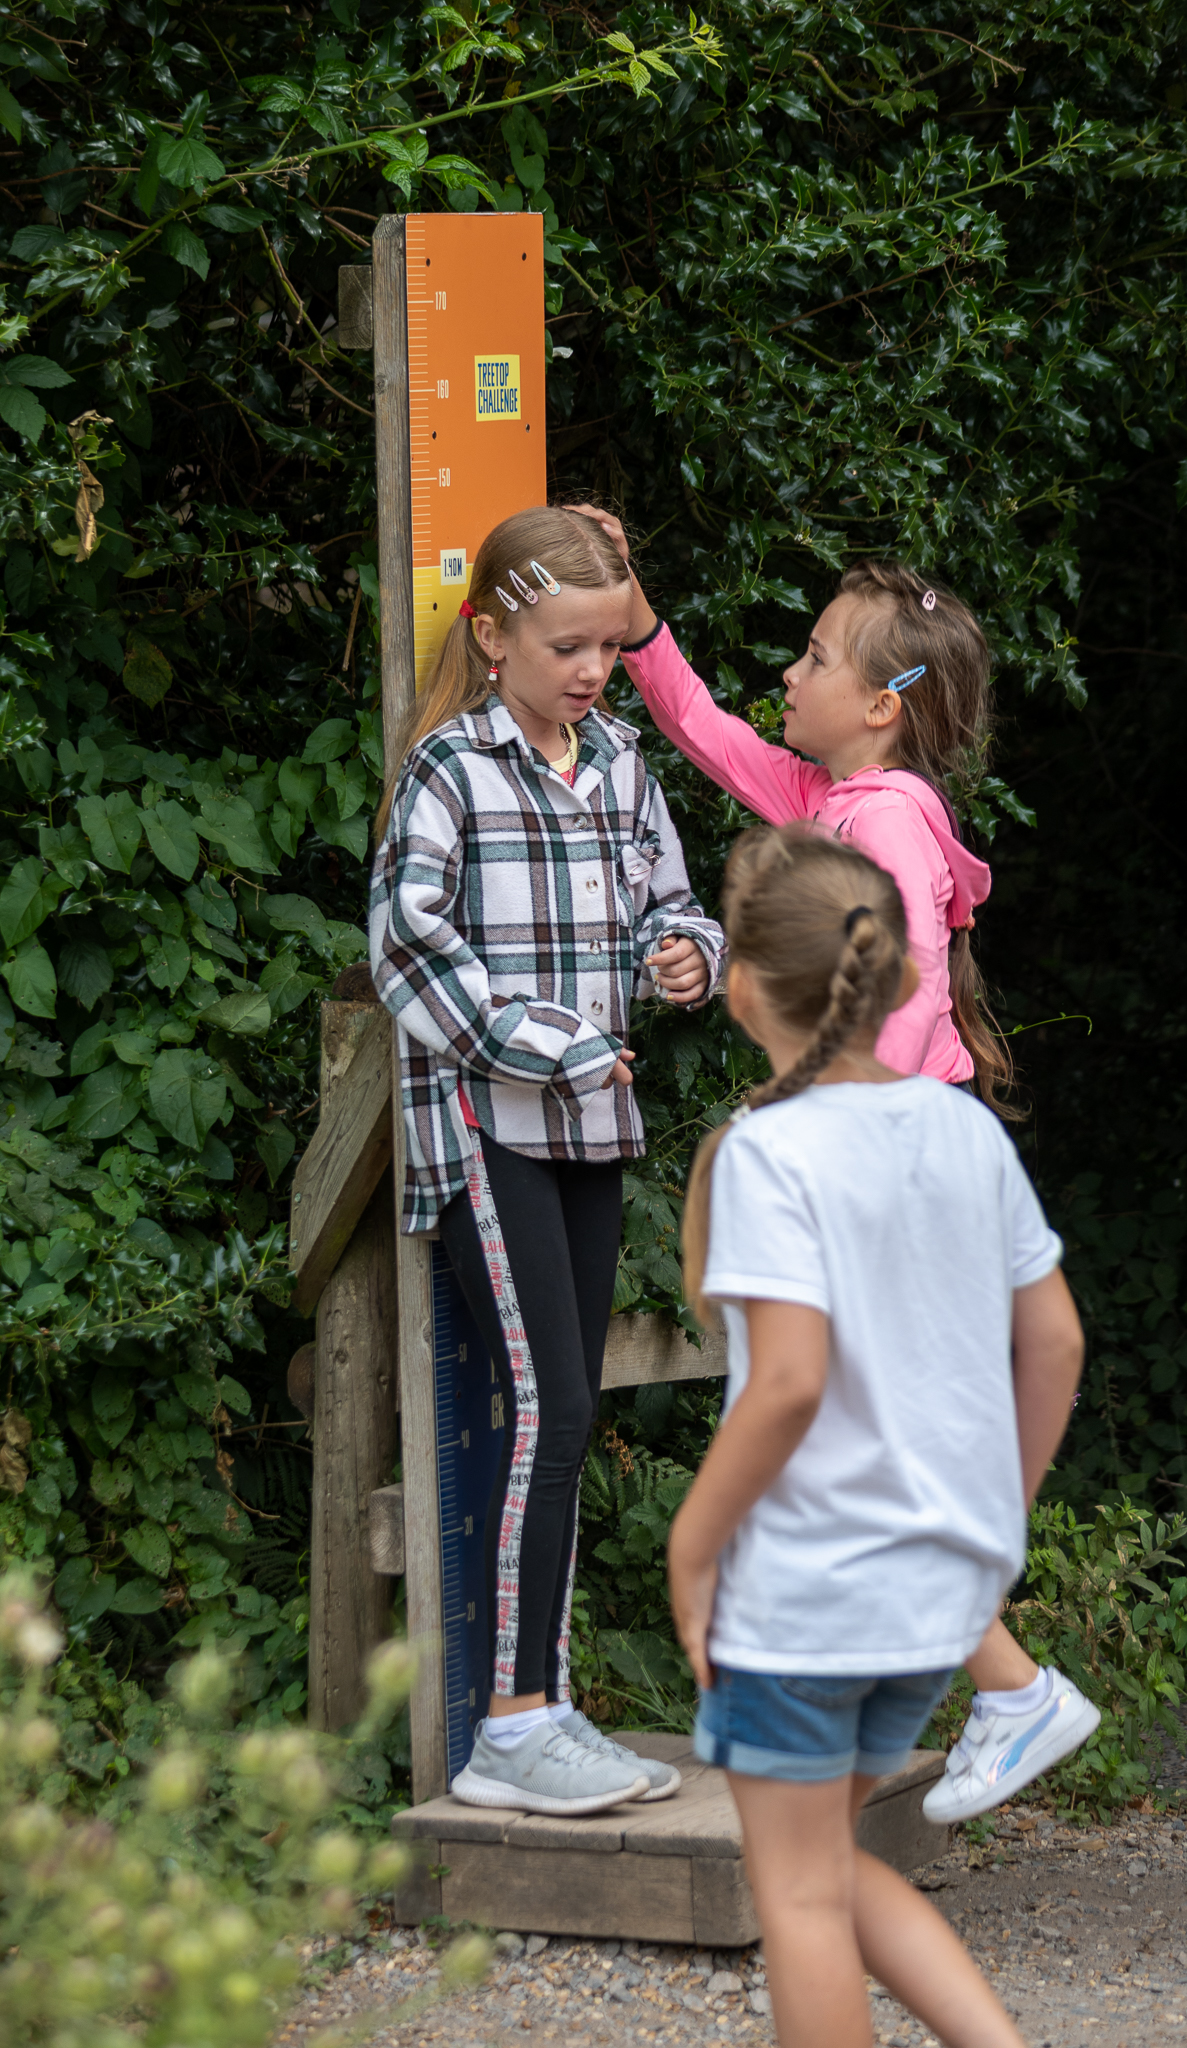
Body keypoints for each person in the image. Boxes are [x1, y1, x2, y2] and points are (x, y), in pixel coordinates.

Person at [570, 503, 1098, 1819]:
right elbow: (711, 737)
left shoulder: (892, 823)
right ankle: (959, 1689)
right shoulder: (842, 795)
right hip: (889, 1162)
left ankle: (999, 1692)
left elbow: (906, 996)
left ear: (879, 705)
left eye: (812, 657)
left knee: (844, 1436)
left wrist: (819, 1103)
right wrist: (639, 632)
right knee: (856, 1442)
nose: (789, 677)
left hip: (894, 1178)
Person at [667, 825, 1087, 2048]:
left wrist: (693, 1546)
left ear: (743, 985)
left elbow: (788, 1382)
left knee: (793, 1889)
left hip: (810, 1590)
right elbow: (1054, 1342)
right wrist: (995, 1515)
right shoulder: (965, 1130)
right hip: (938, 1591)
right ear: (900, 976)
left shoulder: (767, 1149)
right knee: (830, 1867)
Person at [370, 506, 725, 1817]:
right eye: (563, 644)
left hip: (594, 1130)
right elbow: (406, 949)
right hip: (485, 1129)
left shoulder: (621, 763)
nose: (588, 668)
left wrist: (689, 959)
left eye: (606, 646)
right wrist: (546, 1044)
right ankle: (513, 1726)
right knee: (554, 1409)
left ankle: (546, 1707)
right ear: (493, 636)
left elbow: (665, 911)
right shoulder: (449, 771)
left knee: (565, 1414)